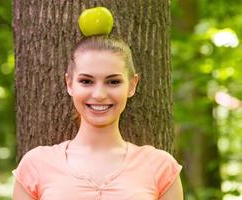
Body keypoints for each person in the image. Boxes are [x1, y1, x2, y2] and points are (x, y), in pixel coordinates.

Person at [12, 35, 183, 200]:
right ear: (69, 84)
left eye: (113, 82)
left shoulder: (161, 167)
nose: (99, 94)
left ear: (132, 85)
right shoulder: (36, 164)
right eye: (86, 81)